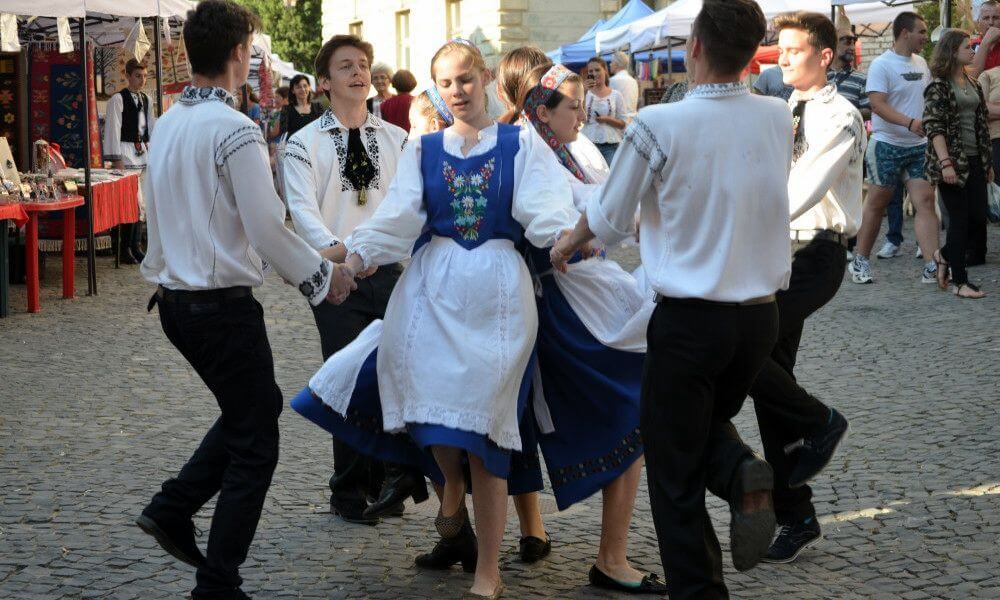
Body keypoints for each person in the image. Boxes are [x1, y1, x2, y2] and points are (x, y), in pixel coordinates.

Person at [551, 0, 791, 596]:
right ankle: (741, 473)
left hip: (689, 322)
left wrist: (566, 243)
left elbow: (608, 218)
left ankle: (702, 587)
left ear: (696, 49)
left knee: (673, 470)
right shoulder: (777, 114)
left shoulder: (660, 123)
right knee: (695, 429)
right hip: (759, 320)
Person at [333, 39, 577, 599]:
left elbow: (543, 208)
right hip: (434, 289)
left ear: (486, 77)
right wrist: (354, 259)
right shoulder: (425, 149)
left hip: (498, 291)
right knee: (437, 413)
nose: (456, 91)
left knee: (486, 428)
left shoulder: (520, 143)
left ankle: (488, 571)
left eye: (465, 79)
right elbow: (397, 216)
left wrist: (563, 239)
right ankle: (451, 498)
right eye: (444, 83)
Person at [133, 2, 352, 598]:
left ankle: (173, 506)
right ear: (239, 53)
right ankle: (217, 580)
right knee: (257, 440)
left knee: (250, 412)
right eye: (251, 46)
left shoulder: (172, 121)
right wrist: (320, 279)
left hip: (178, 302)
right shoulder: (234, 129)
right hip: (217, 306)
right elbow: (265, 227)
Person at [515, 61, 665, 595]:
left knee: (636, 409)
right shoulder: (529, 152)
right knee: (627, 411)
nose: (584, 112)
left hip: (595, 298)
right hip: (566, 310)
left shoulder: (574, 152)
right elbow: (546, 223)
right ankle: (605, 555)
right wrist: (571, 241)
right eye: (572, 106)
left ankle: (611, 554)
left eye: (582, 104)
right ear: (542, 111)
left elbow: (612, 209)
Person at [284, 35, 430, 525]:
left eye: (364, 65)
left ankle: (387, 478)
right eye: (345, 66)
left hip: (388, 272)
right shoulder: (304, 144)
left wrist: (372, 251)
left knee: (396, 372)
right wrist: (339, 262)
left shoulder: (396, 139)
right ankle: (347, 492)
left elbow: (406, 207)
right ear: (324, 82)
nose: (358, 73)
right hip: (333, 279)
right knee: (347, 376)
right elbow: (303, 214)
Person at [752, 11, 861, 564]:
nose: (783, 57)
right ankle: (797, 515)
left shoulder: (839, 116)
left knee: (747, 354)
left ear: (824, 56)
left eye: (794, 50)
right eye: (780, 49)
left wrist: (740, 227)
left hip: (814, 254)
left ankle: (823, 421)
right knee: (772, 381)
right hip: (778, 252)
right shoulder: (777, 111)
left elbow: (802, 187)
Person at [850, 11, 940, 285]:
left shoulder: (922, 62)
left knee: (925, 201)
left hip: (918, 146)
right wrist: (910, 122)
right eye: (922, 32)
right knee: (877, 204)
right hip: (887, 144)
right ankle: (860, 262)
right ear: (905, 33)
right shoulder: (881, 64)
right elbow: (877, 104)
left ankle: (932, 264)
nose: (925, 38)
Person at [924, 29, 992, 298]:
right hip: (951, 161)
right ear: (952, 51)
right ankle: (960, 282)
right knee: (959, 221)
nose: (973, 49)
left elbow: (981, 124)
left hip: (975, 159)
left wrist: (987, 163)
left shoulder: (972, 83)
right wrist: (945, 163)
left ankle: (943, 254)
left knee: (978, 217)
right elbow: (934, 127)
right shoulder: (938, 86)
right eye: (967, 46)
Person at [103, 58, 155, 265]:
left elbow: (150, 127)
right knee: (131, 202)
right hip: (125, 153)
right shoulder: (118, 99)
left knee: (142, 203)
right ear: (128, 76)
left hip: (142, 152)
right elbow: (113, 129)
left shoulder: (147, 99)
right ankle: (123, 248)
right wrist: (116, 159)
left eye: (144, 76)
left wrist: (153, 151)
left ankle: (135, 245)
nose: (142, 80)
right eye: (138, 76)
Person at [581, 57, 628, 165]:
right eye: (591, 71)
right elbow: (581, 119)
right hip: (588, 143)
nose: (594, 73)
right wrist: (583, 92)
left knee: (610, 177)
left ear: (605, 71)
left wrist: (607, 119)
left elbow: (623, 123)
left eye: (597, 70)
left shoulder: (616, 95)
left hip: (610, 144)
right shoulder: (585, 93)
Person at [279, 74, 324, 139]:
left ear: (309, 88)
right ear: (293, 90)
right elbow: (284, 133)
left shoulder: (318, 107)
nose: (302, 89)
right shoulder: (287, 109)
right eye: (298, 87)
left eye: (305, 86)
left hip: (315, 146)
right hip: (295, 147)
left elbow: (323, 129)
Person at [970, 0, 1000, 77]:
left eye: (996, 18)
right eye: (986, 18)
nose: (991, 22)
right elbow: (971, 78)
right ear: (978, 22)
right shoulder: (969, 45)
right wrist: (986, 42)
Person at [609, 51, 639, 122]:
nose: (610, 64)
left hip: (618, 122)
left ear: (616, 64)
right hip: (633, 121)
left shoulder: (613, 80)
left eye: (611, 62)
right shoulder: (633, 81)